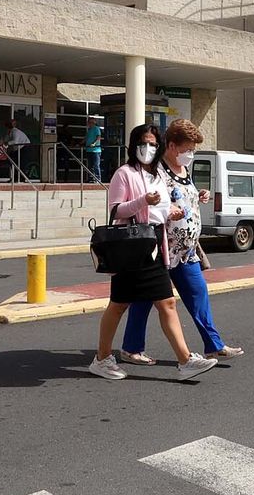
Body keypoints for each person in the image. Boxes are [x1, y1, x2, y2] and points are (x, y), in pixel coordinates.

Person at [89, 124, 218, 382]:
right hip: (131, 247)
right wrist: (143, 202)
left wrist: (173, 213)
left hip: (155, 246)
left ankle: (185, 361)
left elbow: (161, 211)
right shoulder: (124, 174)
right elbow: (116, 210)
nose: (147, 149)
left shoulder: (156, 176)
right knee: (118, 305)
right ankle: (101, 359)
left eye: (152, 144)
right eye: (143, 143)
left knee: (167, 302)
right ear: (133, 145)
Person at [119, 120, 244, 365]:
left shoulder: (183, 170)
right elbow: (153, 204)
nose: (191, 154)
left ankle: (213, 345)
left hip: (186, 250)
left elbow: (182, 197)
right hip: (161, 248)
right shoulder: (156, 171)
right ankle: (132, 348)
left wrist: (199, 196)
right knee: (144, 299)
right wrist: (166, 211)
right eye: (188, 149)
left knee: (198, 294)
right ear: (172, 146)